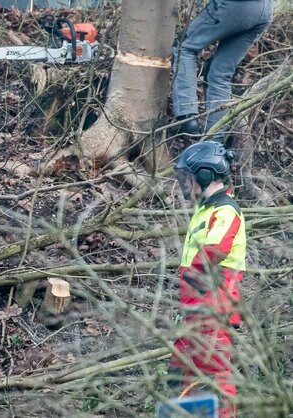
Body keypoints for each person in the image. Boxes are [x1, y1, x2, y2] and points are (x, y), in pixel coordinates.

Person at [169, 141, 245, 417]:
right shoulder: (205, 211)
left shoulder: (225, 211)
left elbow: (215, 249)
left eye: (189, 178)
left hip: (213, 304)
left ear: (204, 175)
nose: (186, 185)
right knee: (182, 369)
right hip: (196, 304)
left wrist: (190, 278)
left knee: (214, 373)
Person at [171, 0, 272, 139]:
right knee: (219, 74)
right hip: (263, 10)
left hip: (235, 5)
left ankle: (187, 118)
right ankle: (214, 140)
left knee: (184, 47)